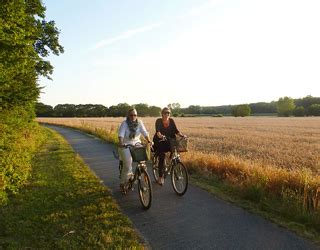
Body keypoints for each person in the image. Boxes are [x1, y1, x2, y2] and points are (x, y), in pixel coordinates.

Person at [118, 108, 152, 193]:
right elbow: (121, 135)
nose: (133, 116)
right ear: (128, 116)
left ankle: (143, 175)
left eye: (135, 115)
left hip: (137, 144)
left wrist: (149, 140)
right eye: (131, 115)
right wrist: (121, 143)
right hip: (126, 145)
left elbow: (144, 132)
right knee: (128, 165)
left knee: (143, 162)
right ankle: (123, 183)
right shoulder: (124, 123)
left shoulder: (139, 122)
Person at [153, 107, 185, 185]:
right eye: (165, 113)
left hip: (169, 140)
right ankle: (160, 177)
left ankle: (169, 163)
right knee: (162, 156)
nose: (167, 114)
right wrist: (161, 136)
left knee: (174, 150)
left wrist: (182, 135)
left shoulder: (171, 121)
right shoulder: (159, 121)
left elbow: (176, 131)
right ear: (162, 114)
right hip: (160, 140)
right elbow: (158, 132)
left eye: (168, 113)